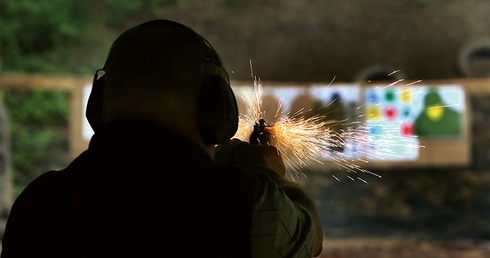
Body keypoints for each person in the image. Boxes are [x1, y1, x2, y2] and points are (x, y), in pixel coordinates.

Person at [1, 19, 323, 257]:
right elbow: (309, 237)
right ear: (216, 109)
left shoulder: (39, 203)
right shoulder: (240, 206)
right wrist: (264, 173)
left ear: (97, 103)